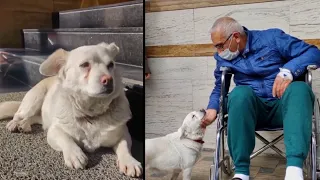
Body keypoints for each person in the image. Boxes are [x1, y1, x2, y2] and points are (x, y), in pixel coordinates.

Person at [201, 17, 320, 180]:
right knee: (239, 94)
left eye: (221, 45)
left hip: (285, 108)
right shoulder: (223, 57)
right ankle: (241, 172)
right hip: (251, 112)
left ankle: (294, 171)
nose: (219, 52)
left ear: (236, 36)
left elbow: (313, 53)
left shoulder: (272, 38)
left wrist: (288, 71)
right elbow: (219, 88)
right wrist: (212, 108)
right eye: (216, 47)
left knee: (299, 88)